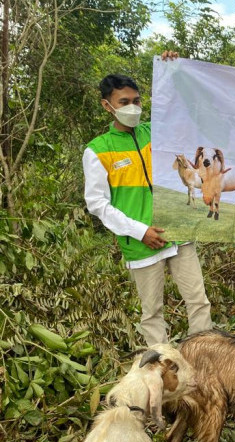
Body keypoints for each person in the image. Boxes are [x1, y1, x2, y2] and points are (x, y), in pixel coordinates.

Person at [83, 53, 212, 346]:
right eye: (124, 102)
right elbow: (98, 204)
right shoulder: (98, 151)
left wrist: (173, 70)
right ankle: (163, 374)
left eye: (137, 101)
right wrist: (140, 231)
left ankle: (202, 359)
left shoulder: (157, 132)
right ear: (107, 106)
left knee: (199, 302)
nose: (132, 107)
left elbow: (184, 111)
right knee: (152, 313)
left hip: (177, 235)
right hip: (141, 243)